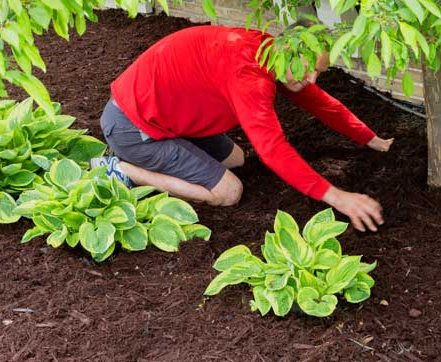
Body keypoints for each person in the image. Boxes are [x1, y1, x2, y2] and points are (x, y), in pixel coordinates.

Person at [92, 25, 393, 232]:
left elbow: (320, 103)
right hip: (133, 127)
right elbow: (273, 149)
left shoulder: (270, 51)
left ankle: (168, 153)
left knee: (237, 159)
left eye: (319, 71)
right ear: (289, 49)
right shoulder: (249, 77)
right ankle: (123, 170)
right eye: (309, 68)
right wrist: (338, 197)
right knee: (228, 191)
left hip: (165, 115)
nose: (312, 79)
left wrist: (371, 139)